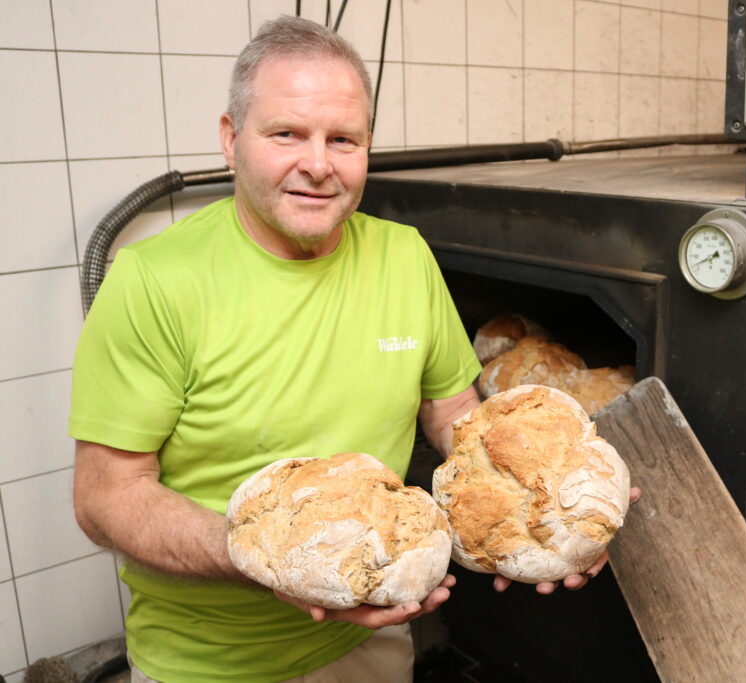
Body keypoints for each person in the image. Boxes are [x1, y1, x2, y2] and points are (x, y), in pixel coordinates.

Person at [70, 15, 626, 683]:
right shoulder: (153, 280)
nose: (317, 163)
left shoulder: (403, 256)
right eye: (286, 134)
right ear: (230, 138)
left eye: (343, 139)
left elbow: (456, 418)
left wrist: (548, 501)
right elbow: (105, 497)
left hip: (371, 644)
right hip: (208, 661)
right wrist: (273, 555)